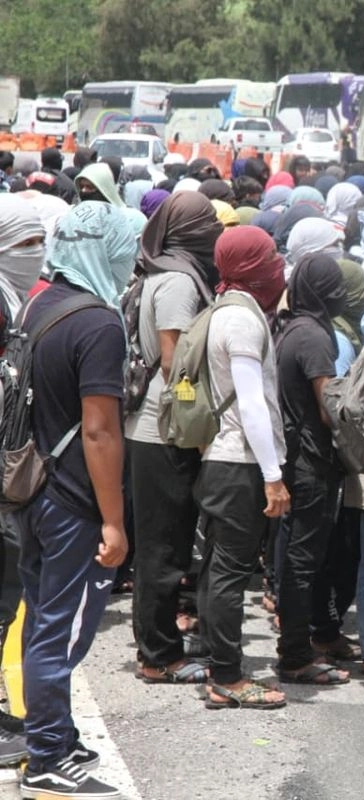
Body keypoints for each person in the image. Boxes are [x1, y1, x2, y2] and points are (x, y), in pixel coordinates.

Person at [15, 202, 140, 798]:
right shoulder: (99, 324)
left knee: (42, 616)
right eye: (125, 249)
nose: (131, 260)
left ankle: (57, 734)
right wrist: (114, 521)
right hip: (72, 500)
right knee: (60, 631)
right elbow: (100, 430)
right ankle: (45, 756)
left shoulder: (41, 301)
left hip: (31, 489)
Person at [127, 192, 222, 686]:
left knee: (161, 545)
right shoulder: (182, 281)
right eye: (206, 221)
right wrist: (196, 425)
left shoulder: (159, 271)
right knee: (164, 549)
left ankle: (156, 645)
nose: (214, 229)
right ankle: (160, 655)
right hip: (164, 431)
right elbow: (174, 361)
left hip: (152, 428)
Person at [196, 226, 291, 711]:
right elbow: (252, 404)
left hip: (222, 459)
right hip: (240, 462)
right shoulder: (241, 321)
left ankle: (218, 663)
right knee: (230, 571)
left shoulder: (226, 308)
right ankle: (228, 677)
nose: (278, 266)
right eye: (271, 258)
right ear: (254, 267)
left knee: (219, 569)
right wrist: (273, 475)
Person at [272, 253, 352, 687]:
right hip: (311, 460)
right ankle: (296, 655)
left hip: (297, 456)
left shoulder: (293, 329)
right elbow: (328, 406)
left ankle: (303, 643)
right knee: (304, 560)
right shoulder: (316, 338)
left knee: (299, 558)